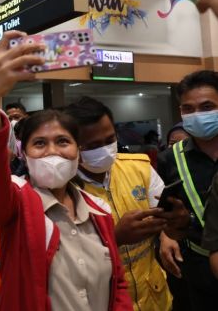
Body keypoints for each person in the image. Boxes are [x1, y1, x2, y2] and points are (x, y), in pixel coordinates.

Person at [0, 30, 131, 311]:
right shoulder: (17, 205)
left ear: (78, 152)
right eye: (40, 143)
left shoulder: (100, 211)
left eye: (63, 141)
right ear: (25, 154)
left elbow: (117, 284)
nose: (53, 151)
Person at [65, 96, 190, 311]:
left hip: (154, 295)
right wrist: (115, 238)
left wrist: (170, 231)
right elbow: (62, 258)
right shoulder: (61, 189)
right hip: (101, 300)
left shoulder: (139, 167)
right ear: (72, 144)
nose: (104, 149)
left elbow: (164, 215)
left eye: (109, 139)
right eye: (92, 145)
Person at [158, 70, 218, 310]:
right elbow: (167, 211)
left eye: (207, 107)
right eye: (188, 109)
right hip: (198, 263)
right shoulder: (169, 159)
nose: (197, 115)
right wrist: (167, 233)